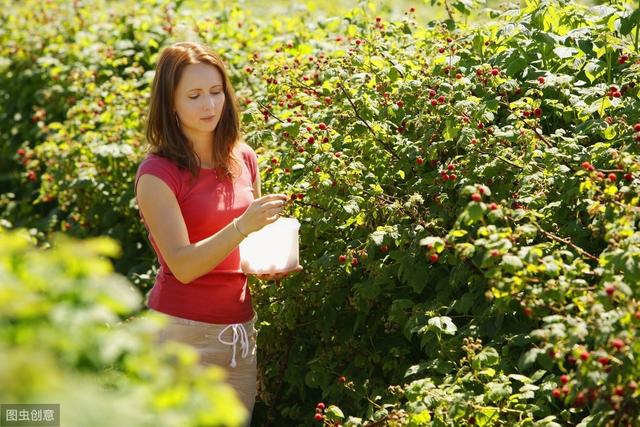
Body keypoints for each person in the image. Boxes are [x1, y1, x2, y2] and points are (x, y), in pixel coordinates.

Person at [134, 41, 302, 425]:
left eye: (216, 92)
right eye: (194, 96)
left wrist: (268, 264)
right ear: (170, 104)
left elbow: (248, 245)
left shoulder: (243, 157)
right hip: (181, 335)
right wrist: (243, 224)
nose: (209, 105)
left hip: (239, 331)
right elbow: (184, 265)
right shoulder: (157, 174)